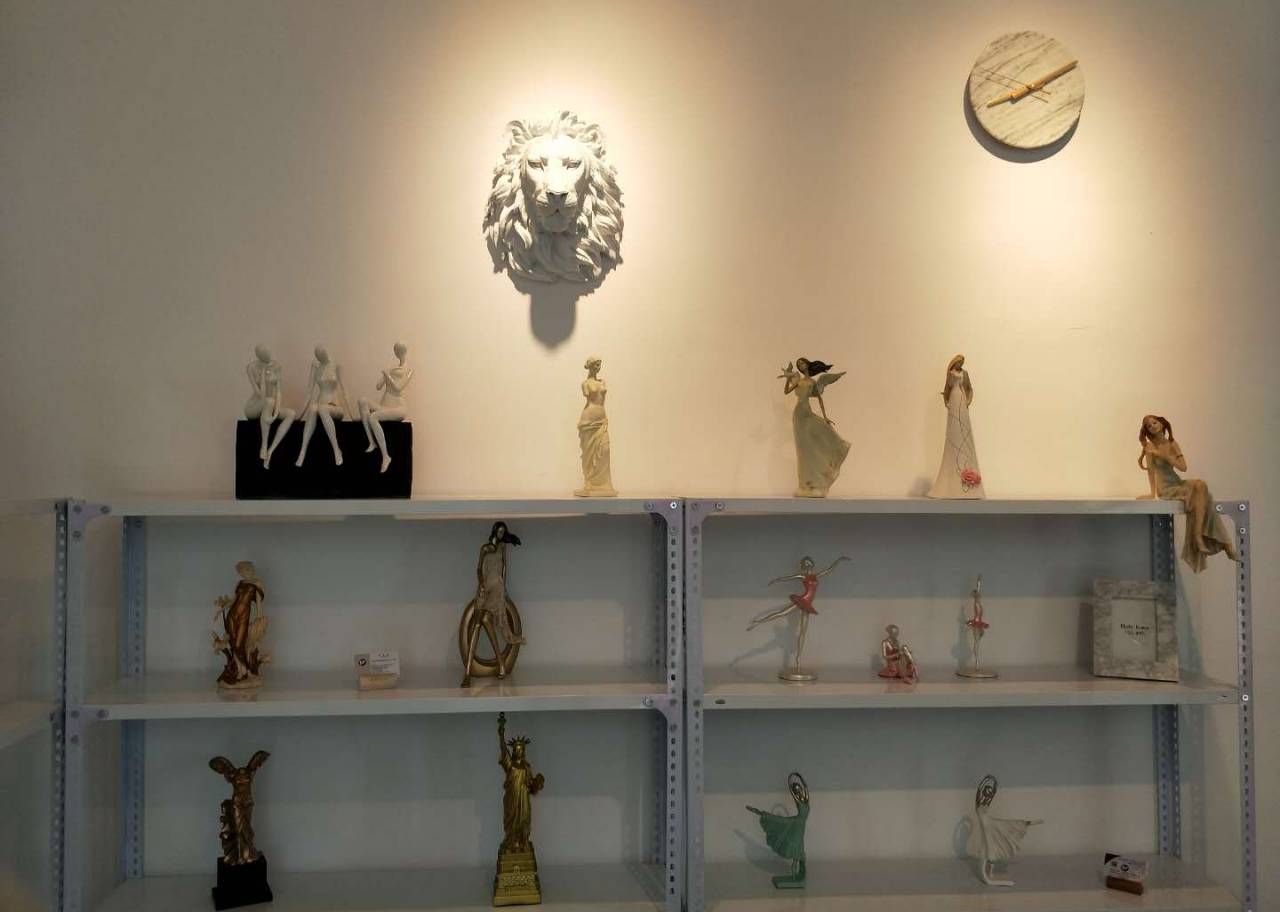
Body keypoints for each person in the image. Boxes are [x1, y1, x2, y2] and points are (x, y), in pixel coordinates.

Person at [1137, 414, 1238, 572]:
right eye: (1149, 426)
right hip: (1166, 489)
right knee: (1204, 497)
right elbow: (1151, 472)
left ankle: (1198, 536)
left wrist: (1167, 457)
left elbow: (1183, 468)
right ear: (1147, 431)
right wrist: (1152, 493)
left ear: (1162, 424)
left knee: (1201, 486)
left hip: (1177, 483)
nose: (1152, 427)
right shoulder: (1149, 447)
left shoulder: (1173, 444)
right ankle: (1224, 543)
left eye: (1154, 423)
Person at [780, 357, 851, 497]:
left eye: (802, 363)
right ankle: (805, 484)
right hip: (798, 415)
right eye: (798, 364)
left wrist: (825, 417)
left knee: (811, 447)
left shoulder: (812, 382)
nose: (800, 366)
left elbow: (819, 399)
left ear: (807, 364)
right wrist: (788, 379)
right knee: (802, 450)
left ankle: (817, 479)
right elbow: (786, 391)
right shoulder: (798, 381)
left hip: (807, 413)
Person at [928, 354, 985, 498]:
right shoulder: (951, 374)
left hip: (962, 400)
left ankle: (966, 482)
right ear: (956, 362)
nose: (961, 364)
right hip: (953, 399)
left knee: (964, 431)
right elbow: (947, 389)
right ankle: (952, 480)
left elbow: (970, 389)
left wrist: (968, 401)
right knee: (954, 433)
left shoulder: (964, 374)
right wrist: (946, 401)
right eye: (960, 362)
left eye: (962, 363)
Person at [359, 342, 413, 474]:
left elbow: (398, 388)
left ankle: (386, 456)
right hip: (385, 406)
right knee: (362, 401)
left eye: (399, 350)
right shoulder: (392, 368)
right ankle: (372, 442)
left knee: (373, 417)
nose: (397, 352)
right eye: (396, 350)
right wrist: (385, 376)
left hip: (399, 407)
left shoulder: (409, 370)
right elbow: (378, 387)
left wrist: (387, 375)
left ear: (403, 351)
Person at [575, 356, 616, 496]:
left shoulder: (602, 381)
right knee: (588, 453)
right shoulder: (585, 384)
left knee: (605, 449)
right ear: (591, 366)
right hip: (588, 420)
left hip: (601, 419)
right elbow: (589, 399)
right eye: (597, 365)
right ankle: (589, 482)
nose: (599, 367)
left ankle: (604, 484)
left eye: (600, 365)